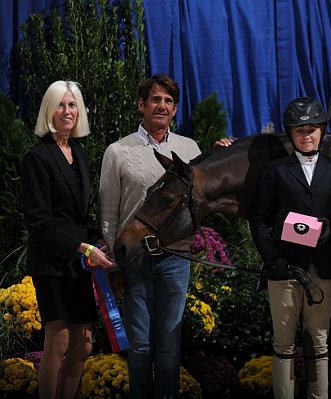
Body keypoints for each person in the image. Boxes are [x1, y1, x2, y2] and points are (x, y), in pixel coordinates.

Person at [99, 74, 201, 398]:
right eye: (156, 99)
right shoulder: (117, 152)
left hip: (175, 261)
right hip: (134, 263)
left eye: (169, 101)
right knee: (140, 347)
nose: (162, 106)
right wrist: (113, 265)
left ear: (175, 110)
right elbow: (108, 213)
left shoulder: (190, 150)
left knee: (170, 348)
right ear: (142, 105)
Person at [249, 97, 331, 399]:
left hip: (322, 267)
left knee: (319, 343)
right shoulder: (276, 171)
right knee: (283, 344)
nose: (306, 136)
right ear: (290, 134)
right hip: (285, 268)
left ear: (322, 131)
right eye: (299, 131)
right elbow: (260, 221)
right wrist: (272, 258)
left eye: (311, 129)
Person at [21, 80, 115, 399]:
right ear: (49, 110)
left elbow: (79, 217)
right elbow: (40, 222)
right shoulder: (38, 157)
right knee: (57, 342)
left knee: (84, 344)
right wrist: (85, 247)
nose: (67, 111)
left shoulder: (80, 154)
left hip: (79, 261)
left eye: (72, 105)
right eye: (60, 105)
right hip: (51, 262)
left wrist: (100, 242)